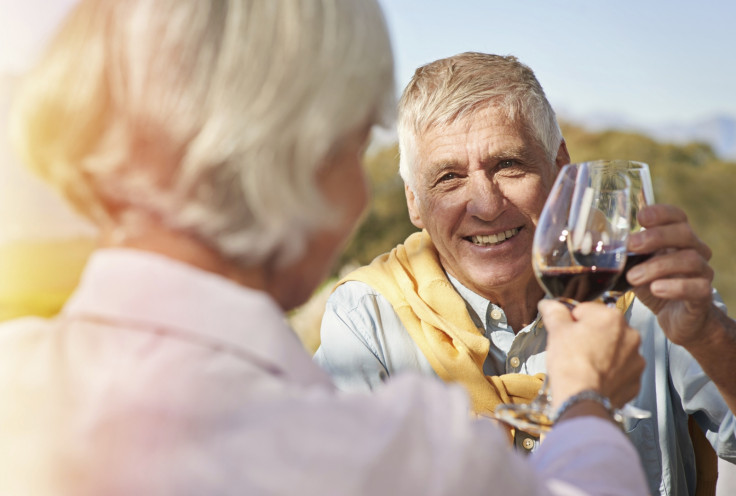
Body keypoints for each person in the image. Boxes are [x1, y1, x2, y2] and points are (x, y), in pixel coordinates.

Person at [0, 2, 650, 495]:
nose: (358, 198)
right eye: (353, 143)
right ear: (295, 157)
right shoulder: (390, 457)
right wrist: (583, 401)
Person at [315, 52, 736, 496]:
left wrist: (709, 334)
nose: (487, 205)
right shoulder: (367, 318)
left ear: (561, 168)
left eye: (508, 165)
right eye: (449, 177)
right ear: (414, 202)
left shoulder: (641, 290)